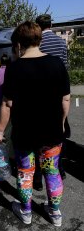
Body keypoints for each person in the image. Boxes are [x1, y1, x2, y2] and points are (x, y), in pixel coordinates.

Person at [0, 21, 70, 226]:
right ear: (39, 39)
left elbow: (7, 104)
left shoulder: (14, 69)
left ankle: (25, 211)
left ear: (18, 44)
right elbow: (65, 99)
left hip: (25, 133)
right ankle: (55, 213)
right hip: (52, 131)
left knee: (26, 172)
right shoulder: (57, 64)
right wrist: (61, 123)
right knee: (51, 171)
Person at [35, 14, 69, 184]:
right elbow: (66, 68)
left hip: (39, 94)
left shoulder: (38, 43)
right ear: (51, 24)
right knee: (58, 134)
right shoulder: (61, 43)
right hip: (58, 94)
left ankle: (38, 177)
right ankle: (59, 169)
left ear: (38, 26)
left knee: (38, 136)